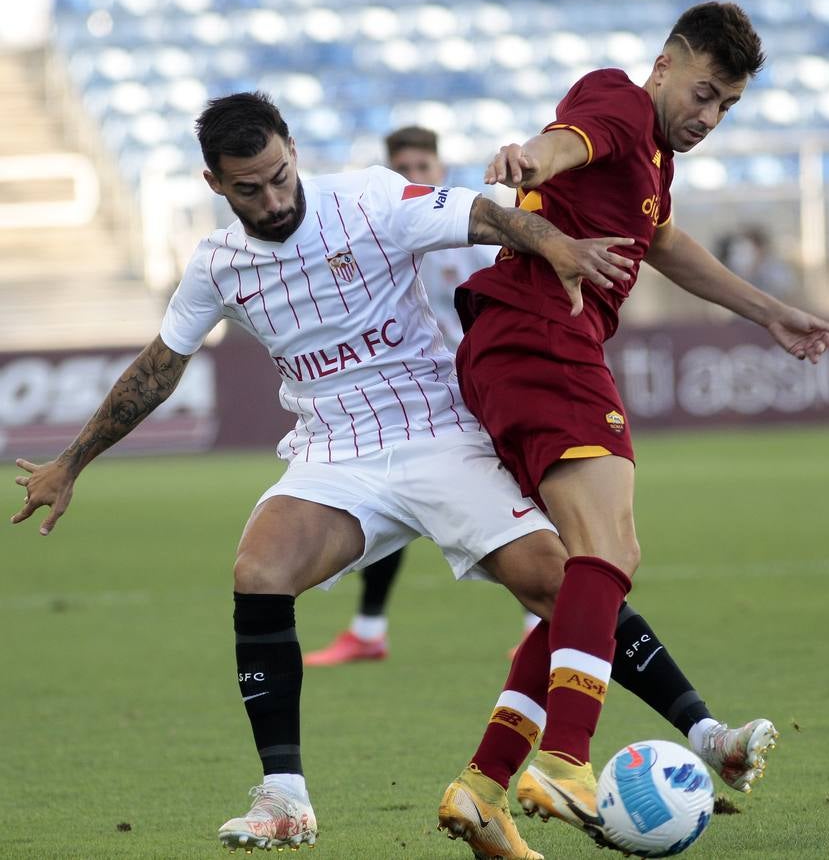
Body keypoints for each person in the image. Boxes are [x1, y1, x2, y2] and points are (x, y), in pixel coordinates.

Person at [8, 89, 641, 856]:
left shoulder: (367, 198)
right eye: (249, 188)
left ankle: (698, 728)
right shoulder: (219, 263)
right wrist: (74, 462)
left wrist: (553, 244)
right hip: (334, 451)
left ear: (294, 151)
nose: (273, 198)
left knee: (557, 580)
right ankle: (285, 798)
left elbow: (486, 213)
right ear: (216, 186)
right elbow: (159, 367)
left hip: (435, 429)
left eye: (280, 175)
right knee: (258, 569)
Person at [440, 0, 829, 853]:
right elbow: (565, 142)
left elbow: (660, 241)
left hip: (517, 346)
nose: (708, 118)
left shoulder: (651, 155)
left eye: (726, 107)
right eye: (702, 94)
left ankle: (481, 785)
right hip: (543, 337)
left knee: (575, 581)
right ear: (666, 65)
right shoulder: (620, 105)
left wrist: (767, 312)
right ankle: (566, 759)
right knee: (607, 553)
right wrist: (525, 157)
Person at [303, 125, 539, 668]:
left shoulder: (475, 235)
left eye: (422, 168)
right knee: (384, 504)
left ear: (441, 173)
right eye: (402, 169)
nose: (413, 177)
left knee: (514, 501)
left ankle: (539, 624)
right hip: (409, 398)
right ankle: (368, 630)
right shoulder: (373, 237)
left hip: (476, 393)